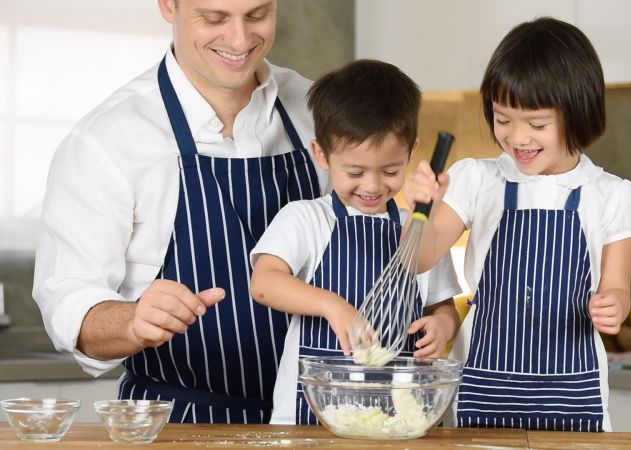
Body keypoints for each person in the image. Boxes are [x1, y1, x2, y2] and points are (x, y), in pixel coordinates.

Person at [32, 0, 330, 424]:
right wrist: (134, 320)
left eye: (257, 14)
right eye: (214, 18)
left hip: (315, 421)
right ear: (168, 5)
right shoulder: (109, 138)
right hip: (177, 422)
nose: (240, 39)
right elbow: (70, 301)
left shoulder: (316, 110)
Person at [405, 17, 631, 431]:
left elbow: (618, 290)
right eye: (502, 119)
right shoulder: (476, 179)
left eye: (536, 124)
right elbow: (417, 259)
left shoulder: (614, 195)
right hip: (482, 384)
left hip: (572, 393)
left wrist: (612, 308)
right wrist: (421, 209)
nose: (517, 138)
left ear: (578, 112)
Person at [249, 59, 462, 425]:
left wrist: (442, 327)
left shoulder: (419, 233)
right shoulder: (307, 219)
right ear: (322, 155)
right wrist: (332, 305)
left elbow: (443, 306)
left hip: (399, 419)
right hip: (308, 419)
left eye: (391, 171)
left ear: (412, 152)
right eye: (355, 172)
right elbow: (264, 283)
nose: (372, 186)